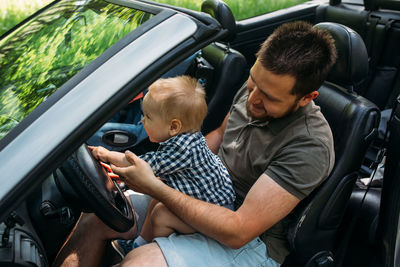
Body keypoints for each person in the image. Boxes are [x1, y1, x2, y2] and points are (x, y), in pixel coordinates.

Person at [54, 20, 337, 267]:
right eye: (253, 84)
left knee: (140, 263)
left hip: (252, 244)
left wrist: (155, 186)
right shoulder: (259, 90)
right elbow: (214, 139)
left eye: (270, 98)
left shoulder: (310, 146)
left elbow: (239, 230)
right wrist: (164, 168)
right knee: (101, 212)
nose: (253, 100)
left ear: (306, 98)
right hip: (206, 198)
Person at [90, 75, 235, 249]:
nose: (142, 121)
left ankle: (156, 249)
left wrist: (103, 153)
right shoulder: (186, 137)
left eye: (148, 117)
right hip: (206, 201)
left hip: (213, 216)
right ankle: (139, 243)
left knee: (162, 216)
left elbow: (137, 164)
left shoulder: (181, 151)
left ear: (174, 127)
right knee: (157, 198)